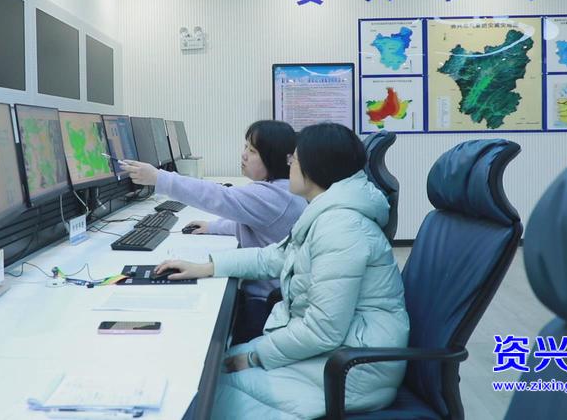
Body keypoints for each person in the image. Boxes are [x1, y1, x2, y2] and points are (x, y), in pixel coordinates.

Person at [154, 123, 409, 419]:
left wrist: (254, 357)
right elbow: (275, 257)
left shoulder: (341, 228)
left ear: (314, 168)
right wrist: (208, 267)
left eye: (295, 159)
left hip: (353, 370)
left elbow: (323, 330)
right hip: (336, 349)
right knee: (206, 368)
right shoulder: (326, 212)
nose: (289, 165)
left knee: (206, 394)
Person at [120, 120, 307, 344]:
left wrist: (160, 178)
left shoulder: (273, 196)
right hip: (271, 294)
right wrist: (213, 227)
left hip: (266, 304)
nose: (244, 155)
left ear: (274, 157)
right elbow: (252, 220)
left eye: (252, 151)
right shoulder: (281, 190)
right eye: (245, 147)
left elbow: (219, 197)